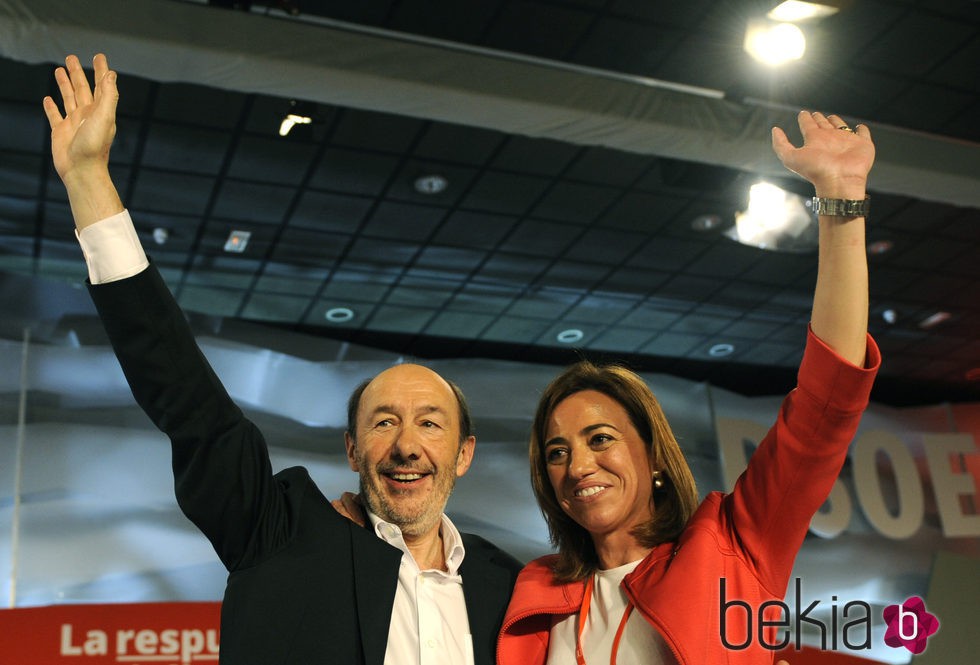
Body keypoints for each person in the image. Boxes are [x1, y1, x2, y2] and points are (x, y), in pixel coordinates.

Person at [43, 53, 521, 665]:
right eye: (383, 422)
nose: (406, 445)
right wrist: (88, 179)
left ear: (464, 453)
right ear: (351, 449)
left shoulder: (507, 587)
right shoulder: (277, 533)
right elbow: (189, 402)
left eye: (430, 422)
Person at [497, 110, 880, 665]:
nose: (577, 464)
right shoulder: (534, 595)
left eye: (600, 438)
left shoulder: (734, 549)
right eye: (558, 452)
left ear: (653, 454)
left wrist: (840, 196)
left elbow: (828, 402)